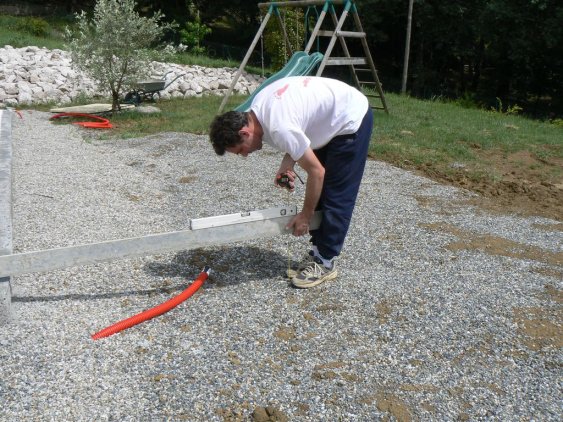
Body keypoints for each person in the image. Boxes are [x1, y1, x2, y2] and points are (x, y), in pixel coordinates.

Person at [209, 76, 373, 288]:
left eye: (241, 149)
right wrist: (287, 165)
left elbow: (317, 173)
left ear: (244, 132)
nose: (245, 155)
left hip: (350, 118)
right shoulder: (257, 111)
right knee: (321, 194)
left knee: (336, 194)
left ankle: (325, 261)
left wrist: (305, 216)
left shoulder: (278, 126)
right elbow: (299, 128)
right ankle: (317, 251)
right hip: (330, 116)